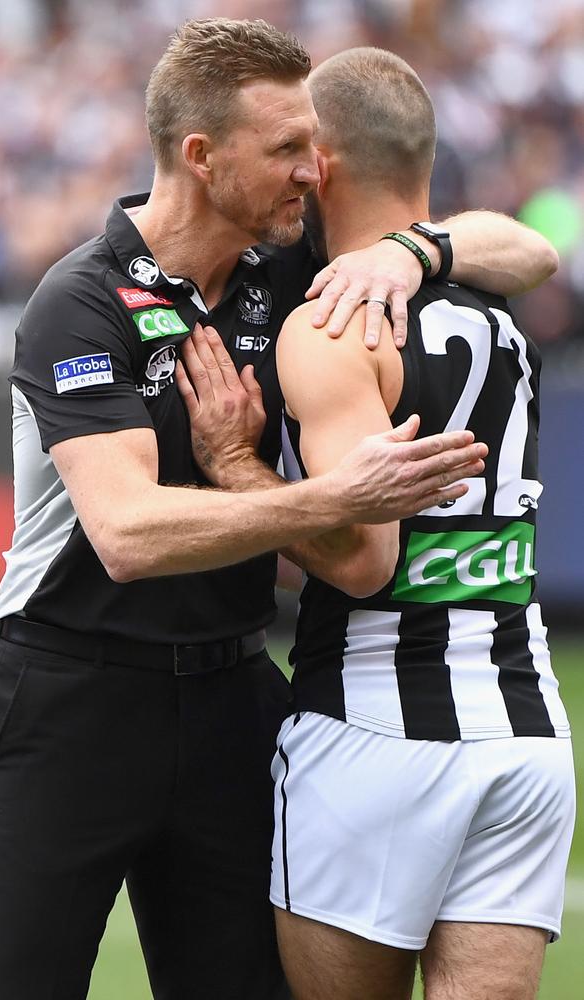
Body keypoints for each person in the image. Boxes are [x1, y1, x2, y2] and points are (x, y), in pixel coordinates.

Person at [0, 18, 556, 1000]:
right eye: (285, 148)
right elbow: (125, 531)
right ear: (202, 158)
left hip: (234, 696)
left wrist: (414, 252)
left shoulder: (281, 268)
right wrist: (335, 497)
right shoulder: (80, 301)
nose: (309, 171)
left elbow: (527, 249)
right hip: (73, 694)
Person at [263, 48, 573, 1000]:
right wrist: (420, 245)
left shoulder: (328, 324)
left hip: (373, 731)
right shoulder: (494, 305)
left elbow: (361, 561)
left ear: (325, 164)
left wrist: (236, 473)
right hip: (523, 730)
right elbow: (535, 249)